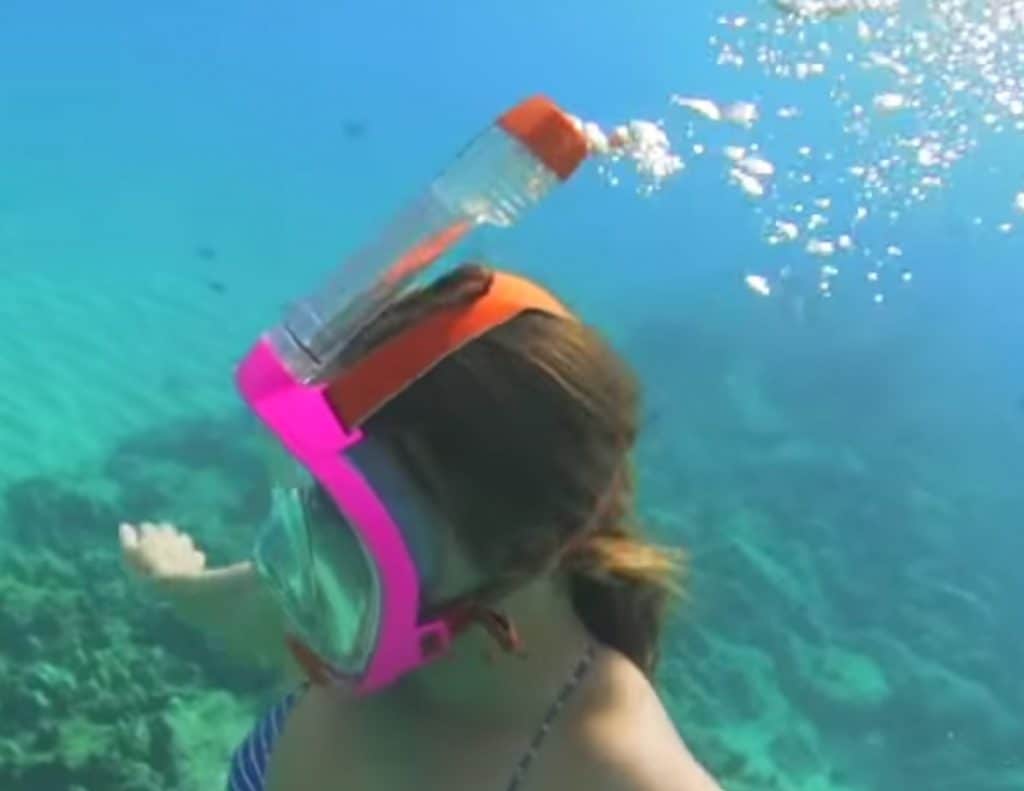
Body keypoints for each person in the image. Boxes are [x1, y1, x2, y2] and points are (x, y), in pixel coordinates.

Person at [120, 264, 722, 790]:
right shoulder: (341, 597)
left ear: (528, 553)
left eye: (353, 523)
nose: (290, 568)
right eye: (309, 499)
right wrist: (168, 576)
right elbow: (237, 608)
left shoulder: (624, 778)